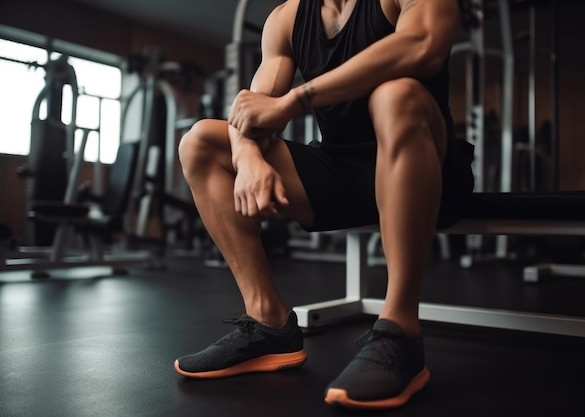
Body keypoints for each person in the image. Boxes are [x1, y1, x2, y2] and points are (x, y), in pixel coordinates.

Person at [175, 0, 473, 410]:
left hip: (429, 171)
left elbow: (421, 45)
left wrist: (296, 101)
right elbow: (253, 107)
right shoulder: (287, 18)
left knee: (396, 93)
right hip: (343, 174)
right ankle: (268, 323)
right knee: (202, 142)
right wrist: (246, 159)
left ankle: (400, 329)